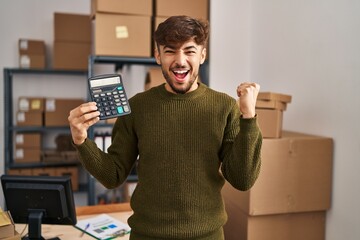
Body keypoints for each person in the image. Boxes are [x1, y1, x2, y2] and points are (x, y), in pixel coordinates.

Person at [68, 15, 262, 240]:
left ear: (203, 54)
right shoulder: (137, 107)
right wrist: (81, 140)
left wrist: (248, 118)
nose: (180, 60)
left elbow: (243, 179)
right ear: (158, 55)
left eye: (189, 50)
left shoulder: (225, 107)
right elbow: (113, 175)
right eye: (170, 51)